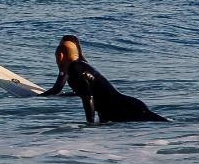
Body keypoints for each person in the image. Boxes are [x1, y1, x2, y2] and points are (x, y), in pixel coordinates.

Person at [39, 35, 167, 123]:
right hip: (125, 108)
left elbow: (88, 97)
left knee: (163, 124)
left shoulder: (75, 70)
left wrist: (90, 124)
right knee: (164, 124)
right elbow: (89, 94)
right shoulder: (77, 67)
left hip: (126, 110)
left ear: (61, 56)